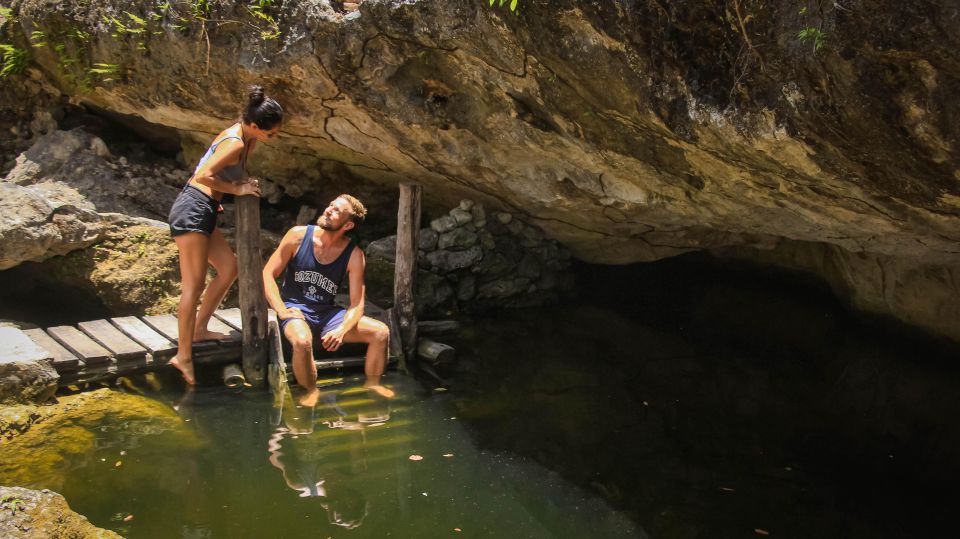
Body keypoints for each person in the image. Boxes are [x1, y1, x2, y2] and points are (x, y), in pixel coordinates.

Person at [167, 85, 283, 384]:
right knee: (192, 286)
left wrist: (244, 181)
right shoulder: (234, 142)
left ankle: (199, 329)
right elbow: (202, 175)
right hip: (193, 208)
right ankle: (183, 355)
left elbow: (233, 173)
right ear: (255, 126)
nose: (273, 137)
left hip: (205, 209)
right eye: (270, 133)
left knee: (229, 268)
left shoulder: (246, 138)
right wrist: (237, 189)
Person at [262, 195, 393, 405]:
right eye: (331, 205)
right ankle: (310, 391)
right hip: (294, 308)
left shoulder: (354, 255)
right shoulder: (297, 235)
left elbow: (357, 303)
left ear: (348, 224)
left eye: (337, 210)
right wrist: (281, 310)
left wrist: (342, 330)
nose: (329, 210)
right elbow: (267, 274)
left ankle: (373, 384)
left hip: (326, 313)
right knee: (302, 341)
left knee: (381, 332)